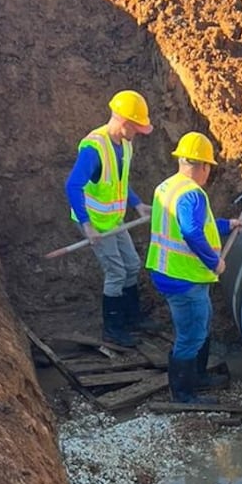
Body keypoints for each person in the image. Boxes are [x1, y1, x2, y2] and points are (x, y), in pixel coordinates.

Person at [145, 132, 242, 404]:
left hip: (169, 270)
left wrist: (227, 225)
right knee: (191, 335)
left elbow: (198, 226)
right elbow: (190, 231)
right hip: (183, 277)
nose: (208, 173)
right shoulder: (192, 194)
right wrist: (215, 262)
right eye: (208, 167)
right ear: (202, 166)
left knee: (202, 323)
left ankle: (197, 376)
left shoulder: (167, 187)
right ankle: (184, 394)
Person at [65, 89, 156, 348]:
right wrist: (87, 225)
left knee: (132, 264)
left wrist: (137, 204)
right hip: (96, 223)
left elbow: (118, 182)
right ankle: (113, 329)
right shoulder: (95, 148)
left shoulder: (124, 145)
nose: (138, 132)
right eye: (136, 127)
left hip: (114, 219)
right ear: (125, 122)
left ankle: (132, 317)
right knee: (115, 271)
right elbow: (73, 186)